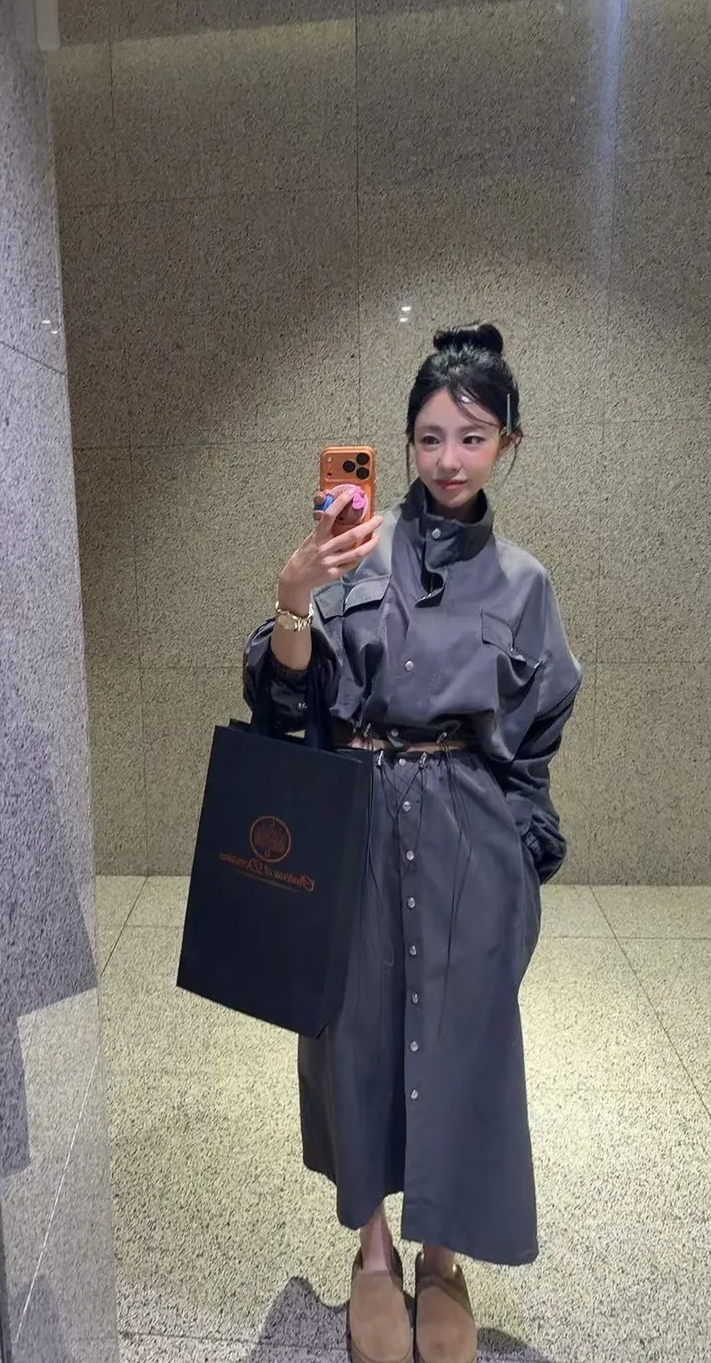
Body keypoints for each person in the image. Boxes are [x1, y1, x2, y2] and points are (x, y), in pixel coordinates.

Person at [242, 324, 582, 1363]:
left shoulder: (523, 584)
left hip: (467, 832)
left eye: (472, 437)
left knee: (464, 1039)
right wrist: (293, 601)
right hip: (354, 815)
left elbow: (539, 733)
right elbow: (287, 705)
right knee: (355, 1031)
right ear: (404, 443)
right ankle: (374, 1253)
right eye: (430, 437)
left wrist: (518, 849)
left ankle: (442, 1258)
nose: (448, 459)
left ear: (507, 444)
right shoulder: (353, 553)